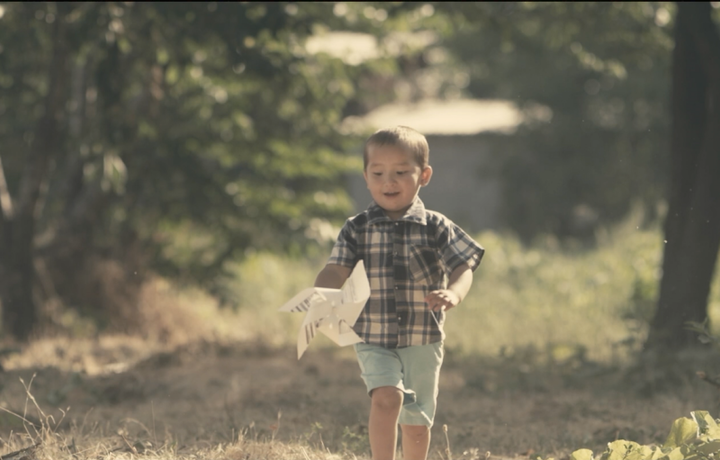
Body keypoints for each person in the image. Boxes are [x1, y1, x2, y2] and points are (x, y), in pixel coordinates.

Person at [314, 126, 484, 460]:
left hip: (423, 336)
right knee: (386, 398)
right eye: (378, 173)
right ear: (365, 176)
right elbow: (337, 268)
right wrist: (321, 294)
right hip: (372, 334)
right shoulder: (357, 227)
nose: (388, 182)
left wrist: (454, 293)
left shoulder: (436, 226)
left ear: (424, 175)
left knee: (417, 422)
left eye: (401, 172)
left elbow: (464, 265)